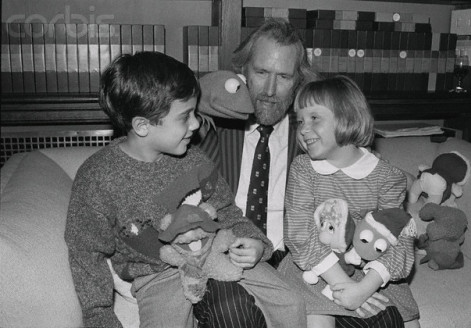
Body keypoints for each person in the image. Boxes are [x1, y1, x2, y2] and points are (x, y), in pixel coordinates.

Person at [64, 51, 306, 328]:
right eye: (185, 117)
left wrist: (256, 244)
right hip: (158, 273)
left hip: (217, 252)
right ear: (142, 126)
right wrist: (99, 316)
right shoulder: (97, 178)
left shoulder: (195, 160)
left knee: (293, 303)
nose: (196, 124)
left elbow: (227, 211)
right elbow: (86, 253)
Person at [196, 18, 408, 328]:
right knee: (233, 313)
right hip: (232, 252)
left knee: (383, 321)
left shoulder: (312, 133)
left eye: (283, 76)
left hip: (300, 257)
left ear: (299, 81)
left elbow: (367, 177)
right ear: (243, 72)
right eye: (261, 72)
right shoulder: (215, 125)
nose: (269, 90)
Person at [282, 75, 420, 327]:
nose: (302, 128)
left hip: (371, 267)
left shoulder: (388, 177)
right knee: (317, 320)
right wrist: (342, 284)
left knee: (408, 323)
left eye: (314, 118)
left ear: (348, 118)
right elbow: (299, 232)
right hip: (318, 265)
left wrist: (365, 288)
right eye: (300, 120)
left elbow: (398, 239)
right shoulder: (303, 169)